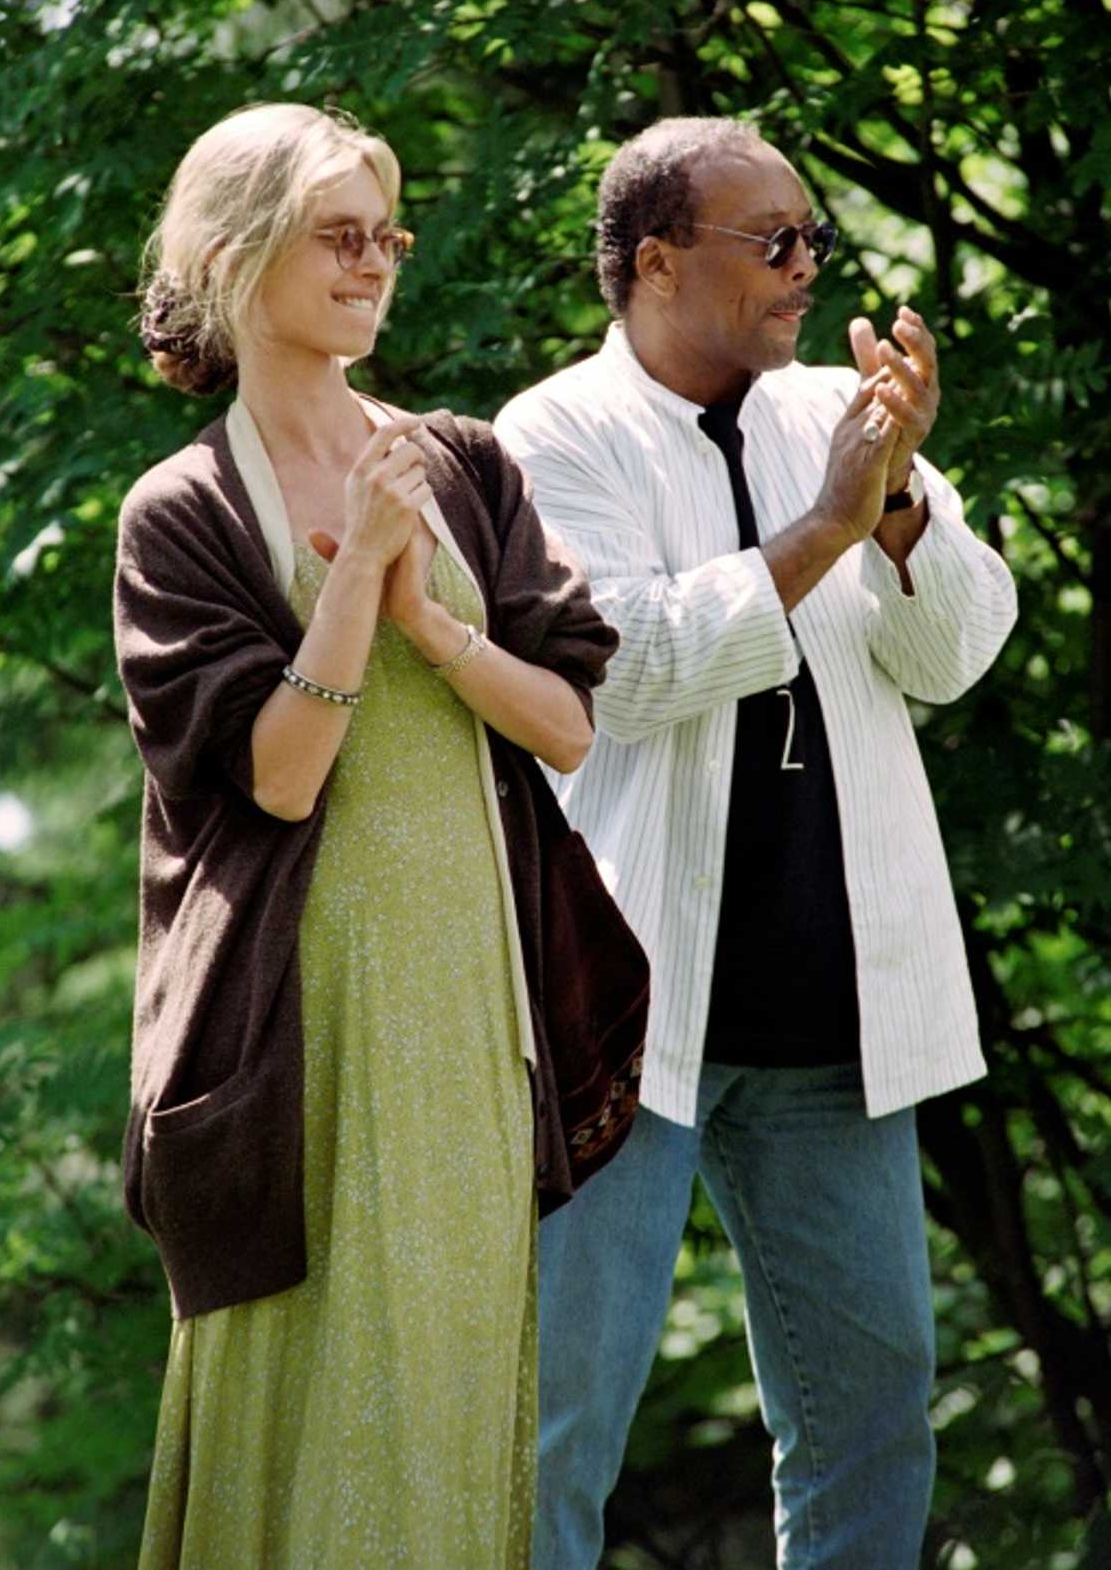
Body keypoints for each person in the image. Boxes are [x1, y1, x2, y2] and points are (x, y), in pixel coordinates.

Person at [493, 114, 1019, 1570]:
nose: (805, 270)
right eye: (771, 242)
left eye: (814, 242)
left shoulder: (839, 422)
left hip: (838, 1024)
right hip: (626, 1020)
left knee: (873, 1418)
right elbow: (628, 668)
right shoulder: (549, 436)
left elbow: (959, 653)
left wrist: (900, 501)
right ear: (656, 263)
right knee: (555, 1432)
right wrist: (823, 533)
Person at [113, 101, 624, 1570]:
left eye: (385, 234)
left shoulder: (458, 461)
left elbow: (568, 727)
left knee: (452, 1382)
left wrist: (421, 618)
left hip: (471, 989)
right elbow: (276, 781)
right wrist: (350, 597)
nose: (373, 262)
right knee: (313, 1391)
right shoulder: (181, 514)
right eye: (340, 234)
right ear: (233, 251)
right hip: (293, 1024)